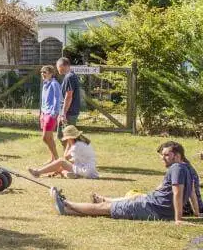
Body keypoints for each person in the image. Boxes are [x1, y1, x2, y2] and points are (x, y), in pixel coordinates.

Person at [54, 141, 193, 222]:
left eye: (167, 155)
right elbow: (189, 192)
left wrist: (178, 219)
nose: (163, 158)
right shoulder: (186, 167)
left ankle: (66, 203)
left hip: (151, 208)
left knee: (104, 208)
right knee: (110, 208)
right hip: (152, 205)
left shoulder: (176, 168)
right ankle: (67, 210)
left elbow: (177, 194)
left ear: (178, 156)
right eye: (162, 155)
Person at [30, 125, 99, 179]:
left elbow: (65, 157)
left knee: (61, 161)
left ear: (70, 138)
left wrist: (68, 144)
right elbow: (74, 161)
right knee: (61, 167)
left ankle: (38, 172)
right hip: (90, 170)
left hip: (86, 171)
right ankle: (66, 173)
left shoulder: (76, 146)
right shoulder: (83, 142)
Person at [39, 65, 62, 161]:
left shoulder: (54, 84)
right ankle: (53, 158)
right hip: (44, 113)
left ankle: (57, 159)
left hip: (51, 114)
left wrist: (54, 113)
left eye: (45, 72)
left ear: (51, 74)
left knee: (45, 138)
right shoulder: (45, 84)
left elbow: (58, 99)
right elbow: (44, 101)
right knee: (50, 138)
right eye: (42, 72)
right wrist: (41, 113)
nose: (43, 74)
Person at [56, 57, 82, 138]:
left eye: (57, 67)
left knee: (67, 138)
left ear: (61, 66)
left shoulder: (69, 77)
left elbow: (69, 96)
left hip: (69, 113)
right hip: (69, 112)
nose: (57, 69)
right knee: (66, 138)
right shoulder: (71, 76)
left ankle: (80, 148)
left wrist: (63, 114)